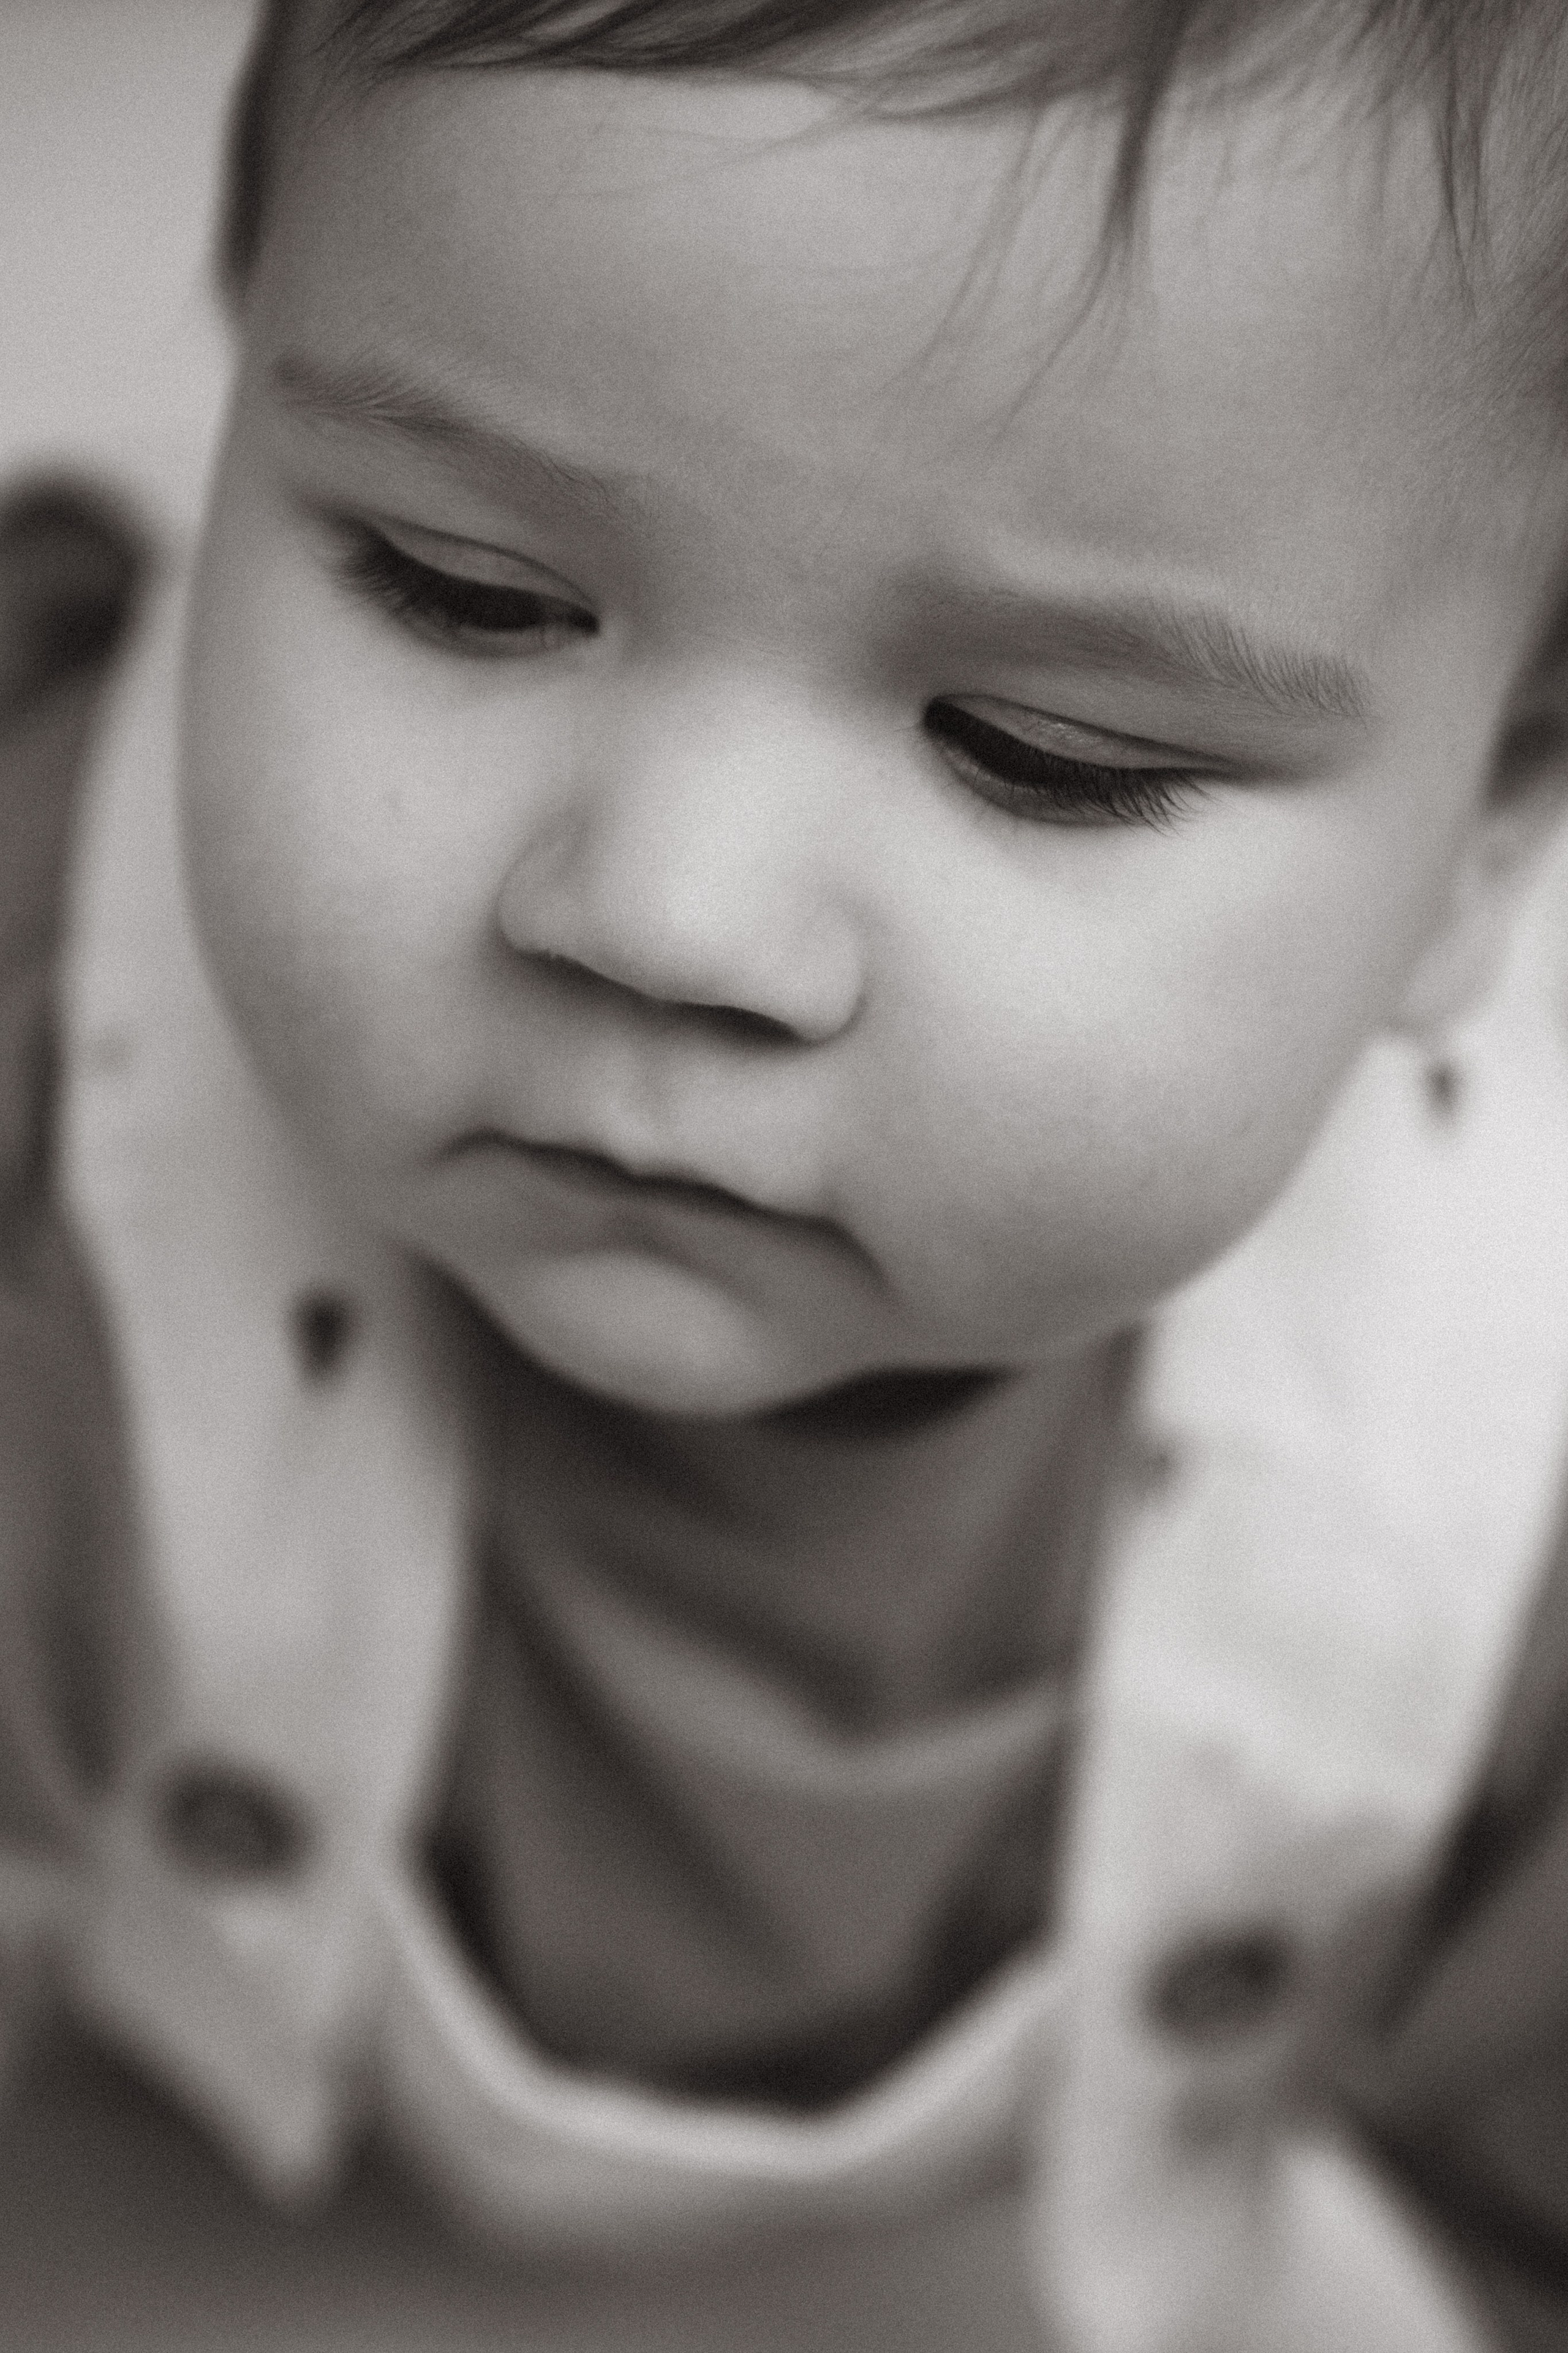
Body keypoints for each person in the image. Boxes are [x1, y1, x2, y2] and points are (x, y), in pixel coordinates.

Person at [4, 1, 1568, 2344]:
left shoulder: (1505, 1443)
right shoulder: (54, 1084)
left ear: (1488, 840)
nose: (670, 916)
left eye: (1040, 752)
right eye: (461, 587)